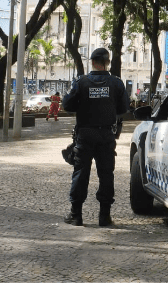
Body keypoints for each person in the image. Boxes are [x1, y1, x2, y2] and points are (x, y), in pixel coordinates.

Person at [62, 48, 130, 227]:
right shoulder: (116, 83)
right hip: (106, 135)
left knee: (80, 173)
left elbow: (67, 105)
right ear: (107, 63)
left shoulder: (81, 82)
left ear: (92, 62)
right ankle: (104, 217)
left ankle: (76, 215)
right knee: (106, 174)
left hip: (85, 134)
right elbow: (124, 108)